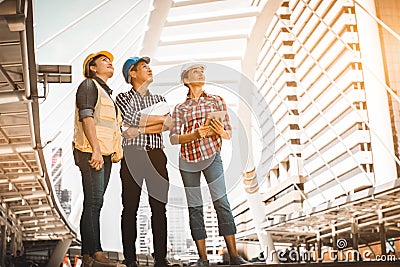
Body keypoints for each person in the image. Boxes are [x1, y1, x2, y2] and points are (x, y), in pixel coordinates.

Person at [169, 63, 249, 266]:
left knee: (221, 201)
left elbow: (228, 133)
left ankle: (234, 256)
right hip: (187, 160)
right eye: (196, 71)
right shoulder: (180, 108)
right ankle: (202, 259)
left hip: (212, 155)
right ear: (186, 80)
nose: (201, 73)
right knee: (195, 207)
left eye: (203, 71)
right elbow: (174, 138)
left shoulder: (216, 100)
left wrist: (219, 130)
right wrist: (195, 134)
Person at [116, 56, 171, 267]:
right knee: (130, 208)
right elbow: (128, 119)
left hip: (156, 154)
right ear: (132, 73)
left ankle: (160, 259)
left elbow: (168, 123)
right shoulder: (122, 98)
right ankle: (130, 259)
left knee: (159, 208)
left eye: (149, 66)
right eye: (143, 67)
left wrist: (138, 128)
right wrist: (152, 121)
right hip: (132, 156)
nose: (149, 69)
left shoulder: (159, 99)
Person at [73, 51, 125, 267]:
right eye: (104, 61)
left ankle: (87, 256)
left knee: (96, 203)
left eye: (111, 61)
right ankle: (96, 254)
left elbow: (112, 127)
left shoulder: (108, 95)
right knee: (94, 203)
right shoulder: (88, 86)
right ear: (93, 68)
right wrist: (95, 149)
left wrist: (116, 149)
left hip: (103, 154)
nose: (110, 63)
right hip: (91, 152)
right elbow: (86, 117)